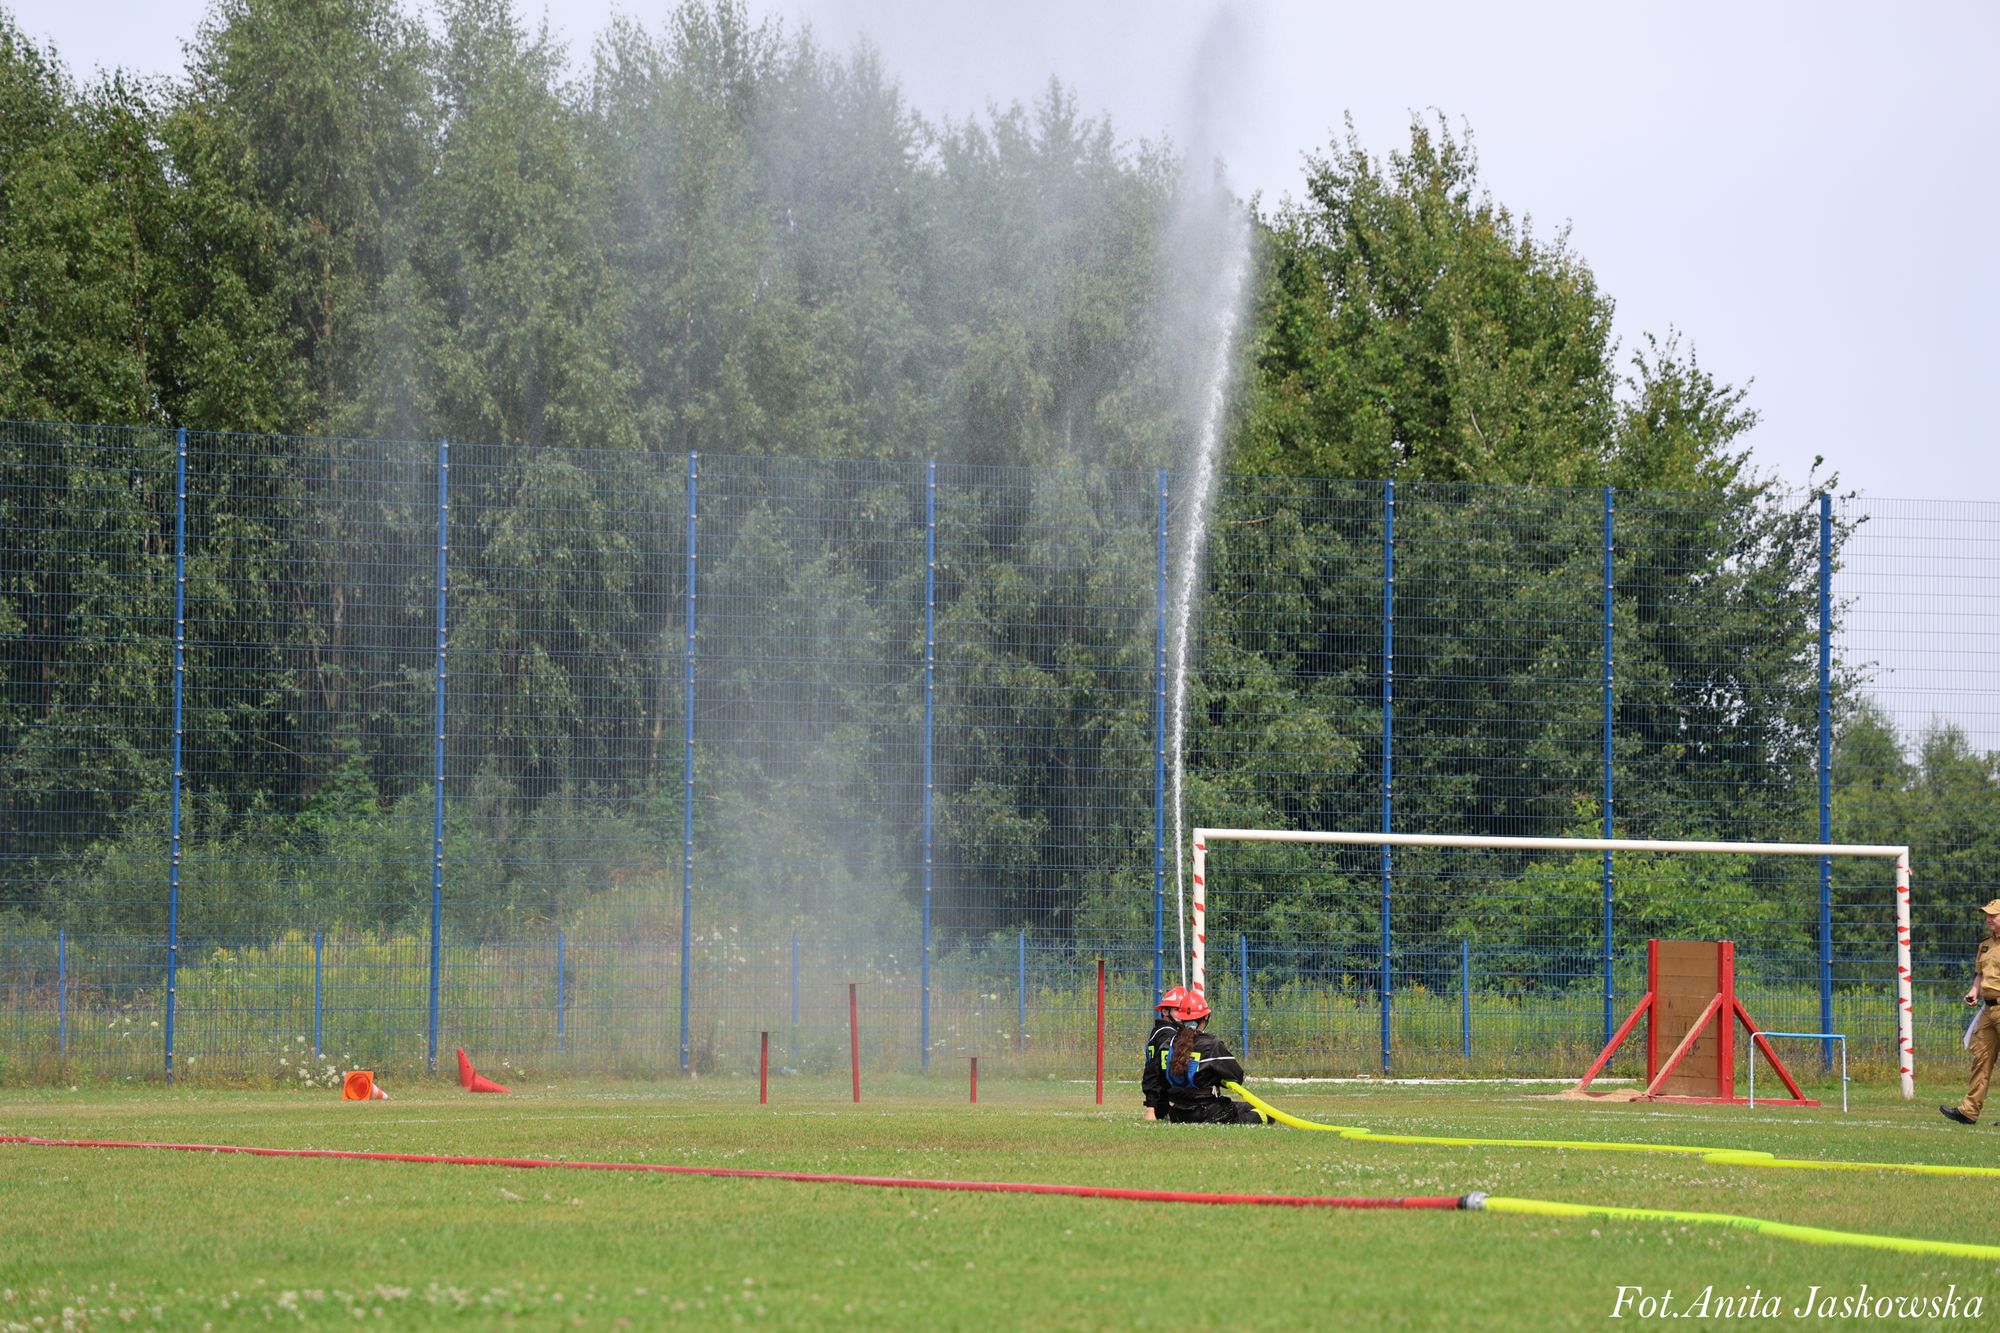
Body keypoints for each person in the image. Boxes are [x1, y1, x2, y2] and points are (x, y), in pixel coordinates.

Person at [1143, 988, 1269, 1125]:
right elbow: (1236, 1076)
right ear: (1204, 1019)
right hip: (1207, 1111)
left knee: (1245, 1107)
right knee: (1263, 1113)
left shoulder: (1170, 1043)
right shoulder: (1211, 1044)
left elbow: (1160, 1076)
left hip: (1177, 1111)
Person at [1941, 898, 2000, 1125]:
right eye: (1987, 915)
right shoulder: (1984, 945)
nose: (1988, 919)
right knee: (1981, 1058)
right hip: (1988, 1008)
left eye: (1993, 915)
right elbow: (1980, 975)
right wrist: (1973, 992)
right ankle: (1968, 1111)